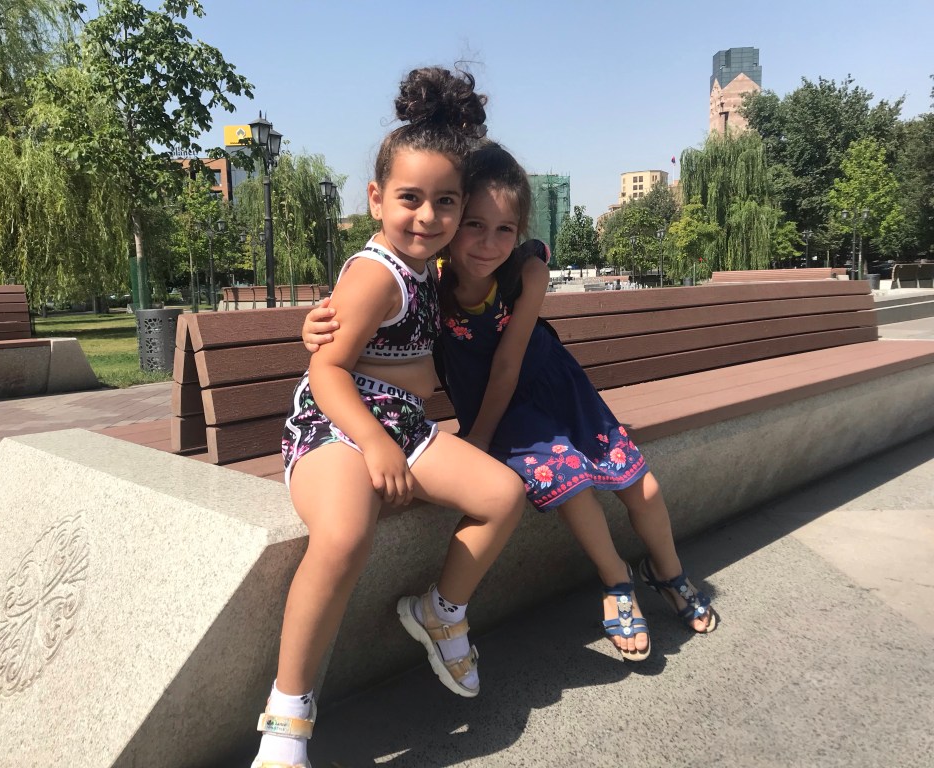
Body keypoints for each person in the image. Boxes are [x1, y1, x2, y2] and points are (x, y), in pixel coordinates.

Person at [303, 141, 717, 669]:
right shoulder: (432, 277)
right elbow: (364, 313)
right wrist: (313, 325)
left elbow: (509, 363)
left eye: (505, 230)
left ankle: (668, 573)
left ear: (520, 232)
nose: (488, 243)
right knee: (571, 483)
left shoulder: (526, 274)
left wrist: (478, 437)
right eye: (474, 225)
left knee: (645, 487)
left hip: (549, 387)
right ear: (456, 221)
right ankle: (616, 582)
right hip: (498, 409)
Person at [251, 70, 526, 768]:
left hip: (403, 426)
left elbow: (496, 257)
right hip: (338, 424)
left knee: (503, 494)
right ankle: (287, 716)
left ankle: (442, 611)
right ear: (376, 199)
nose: (427, 217)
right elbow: (327, 371)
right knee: (345, 536)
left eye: (445, 202)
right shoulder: (377, 274)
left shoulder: (427, 269)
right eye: (410, 199)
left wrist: (534, 260)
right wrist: (373, 445)